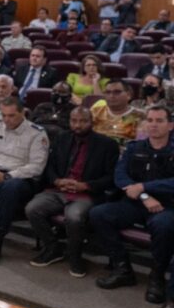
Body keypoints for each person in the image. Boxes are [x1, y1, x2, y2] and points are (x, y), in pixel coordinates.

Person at [89, 105, 174, 308]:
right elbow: (120, 177)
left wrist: (146, 188)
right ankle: (122, 268)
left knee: (164, 226)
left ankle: (157, 276)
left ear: (170, 125)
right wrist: (144, 196)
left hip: (166, 206)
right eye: (151, 120)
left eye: (160, 120)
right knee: (99, 214)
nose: (154, 124)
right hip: (137, 204)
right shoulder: (135, 147)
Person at [25, 107, 119, 277]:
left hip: (86, 193)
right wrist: (57, 181)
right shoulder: (62, 138)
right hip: (58, 190)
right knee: (32, 208)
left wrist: (86, 185)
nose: (78, 125)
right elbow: (49, 166)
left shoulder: (107, 145)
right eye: (74, 121)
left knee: (74, 217)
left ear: (92, 122)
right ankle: (53, 248)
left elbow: (111, 178)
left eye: (83, 121)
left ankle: (75, 255)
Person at [0, 97, 50, 267]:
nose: (7, 120)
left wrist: (7, 176)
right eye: (4, 115)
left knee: (11, 187)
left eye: (12, 116)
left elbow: (37, 167)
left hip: (21, 180)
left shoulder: (36, 133)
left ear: (23, 113)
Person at [90, 79, 144, 147]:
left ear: (128, 95)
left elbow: (141, 144)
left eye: (117, 92)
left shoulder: (140, 116)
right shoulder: (95, 112)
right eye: (108, 92)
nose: (111, 96)